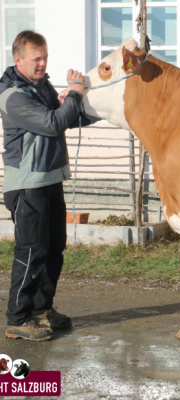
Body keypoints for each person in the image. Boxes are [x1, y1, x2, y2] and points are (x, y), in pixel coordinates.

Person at [0, 30, 98, 341]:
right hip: (27, 184)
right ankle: (18, 318)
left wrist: (95, 104)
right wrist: (73, 94)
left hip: (51, 178)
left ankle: (42, 309)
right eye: (36, 59)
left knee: (53, 248)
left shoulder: (39, 87)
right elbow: (53, 123)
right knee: (31, 251)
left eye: (45, 57)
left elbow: (65, 118)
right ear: (18, 60)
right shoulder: (13, 96)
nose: (43, 64)